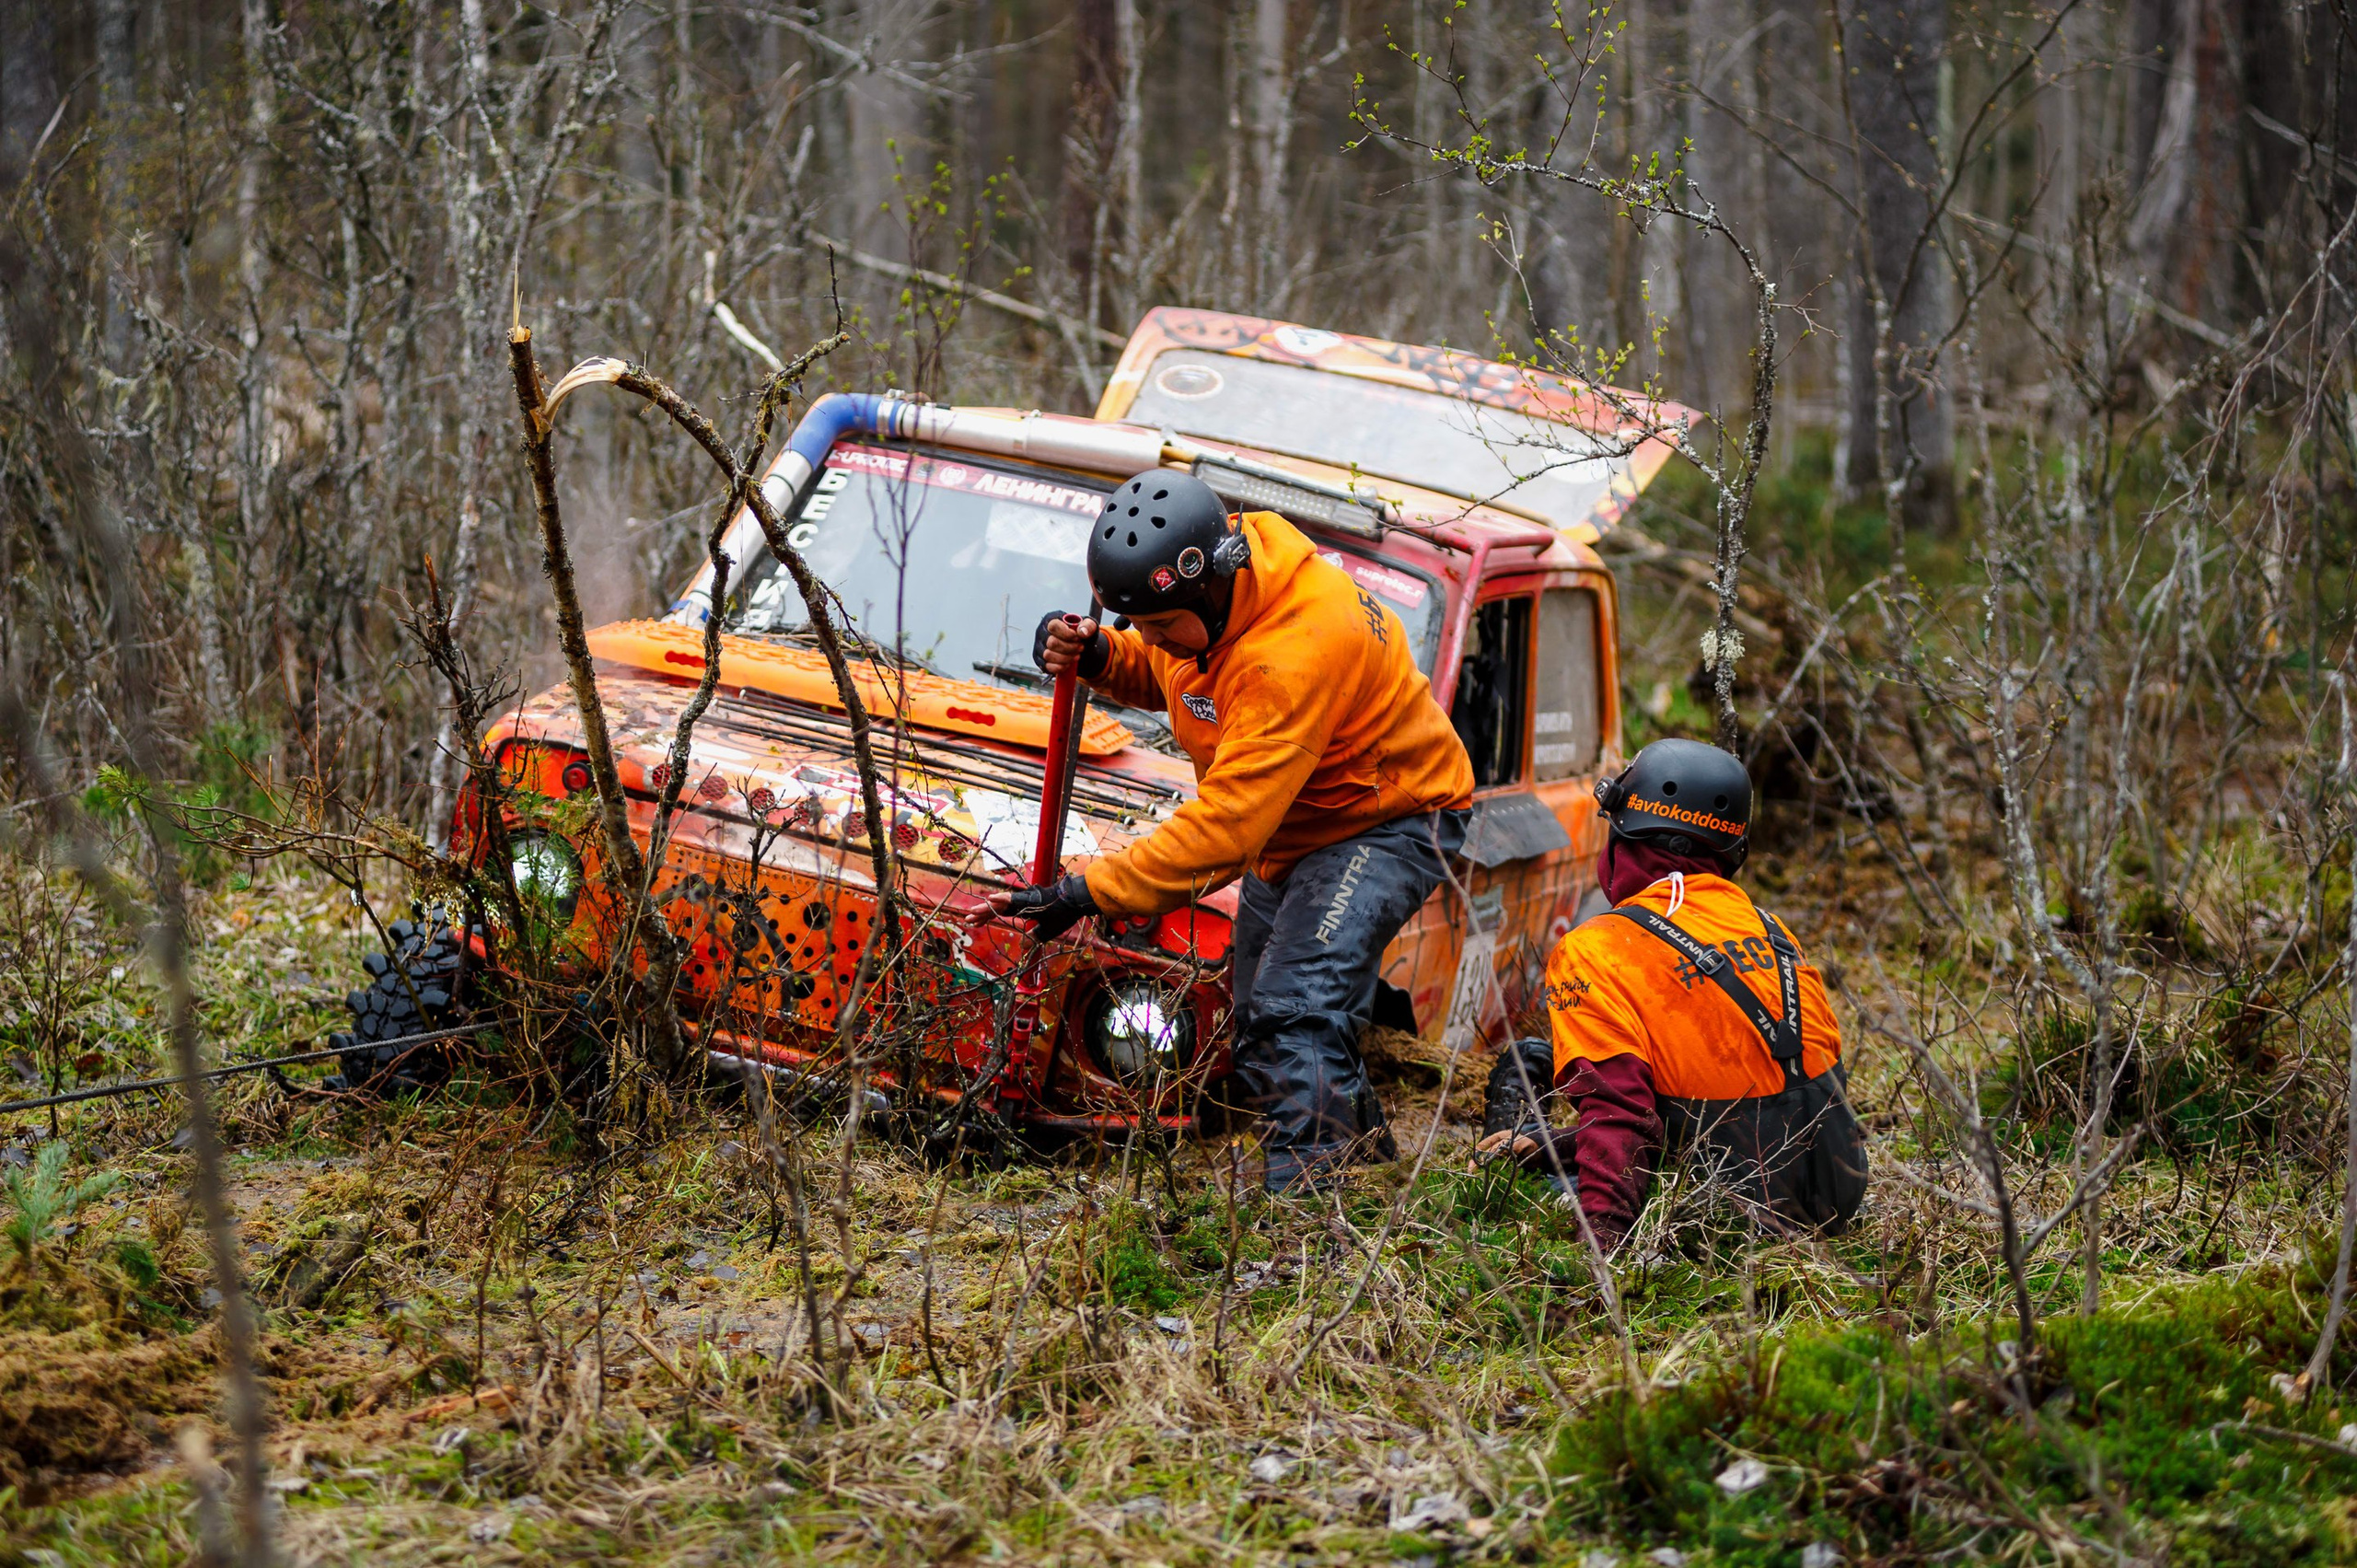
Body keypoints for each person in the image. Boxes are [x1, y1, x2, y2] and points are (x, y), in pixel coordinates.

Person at [983, 470, 1474, 1192]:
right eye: (1139, 625)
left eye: (1154, 625)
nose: (1148, 639)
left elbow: (1225, 831)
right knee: (1258, 1013)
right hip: (1297, 827)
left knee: (1295, 1009)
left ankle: (1310, 1226)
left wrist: (1088, 893)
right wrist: (1101, 657)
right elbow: (1174, 666)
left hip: (1391, 819)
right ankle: (1366, 1173)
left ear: (1207, 586)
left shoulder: (1291, 651)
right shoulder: (1218, 600)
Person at [1478, 738, 1866, 1249]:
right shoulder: (1770, 927)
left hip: (1720, 1214)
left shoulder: (1596, 948)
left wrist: (1601, 1249)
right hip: (1835, 1191)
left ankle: (1505, 1158)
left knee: (1526, 1078)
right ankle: (1534, 1142)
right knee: (1542, 1063)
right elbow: (1730, 1105)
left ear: (1624, 837)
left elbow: (1619, 1117)